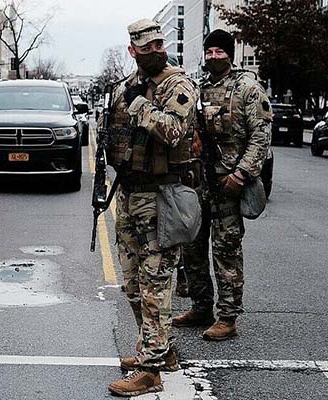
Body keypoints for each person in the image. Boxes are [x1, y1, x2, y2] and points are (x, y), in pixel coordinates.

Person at [104, 19, 198, 397]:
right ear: (133, 51)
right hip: (129, 195)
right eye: (147, 47)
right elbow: (114, 134)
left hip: (162, 197)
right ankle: (160, 349)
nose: (156, 50)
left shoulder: (178, 83)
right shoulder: (125, 86)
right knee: (131, 282)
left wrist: (140, 104)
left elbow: (173, 129)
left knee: (156, 283)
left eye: (159, 43)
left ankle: (150, 370)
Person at [172, 29, 272, 341]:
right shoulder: (199, 89)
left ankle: (227, 317)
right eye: (210, 51)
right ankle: (201, 307)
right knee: (193, 247)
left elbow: (261, 134)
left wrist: (241, 174)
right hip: (199, 182)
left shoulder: (248, 88)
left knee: (226, 250)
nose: (214, 57)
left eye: (220, 51)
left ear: (230, 54)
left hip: (230, 183)